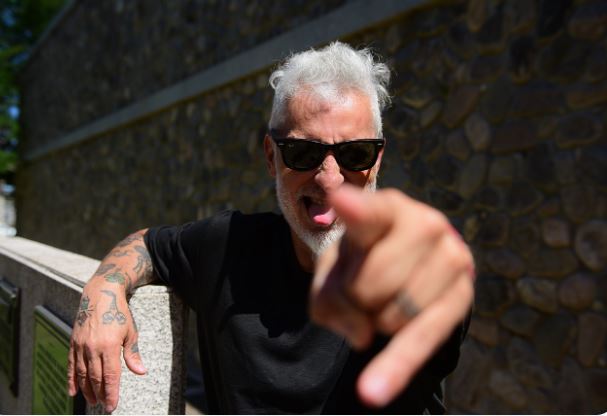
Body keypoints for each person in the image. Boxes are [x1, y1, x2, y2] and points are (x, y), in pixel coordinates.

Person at [67, 42, 474, 414]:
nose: (329, 179)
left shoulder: (402, 281)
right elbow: (148, 245)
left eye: (355, 153)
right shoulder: (226, 248)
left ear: (377, 161)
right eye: (303, 152)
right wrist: (104, 290)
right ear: (270, 157)